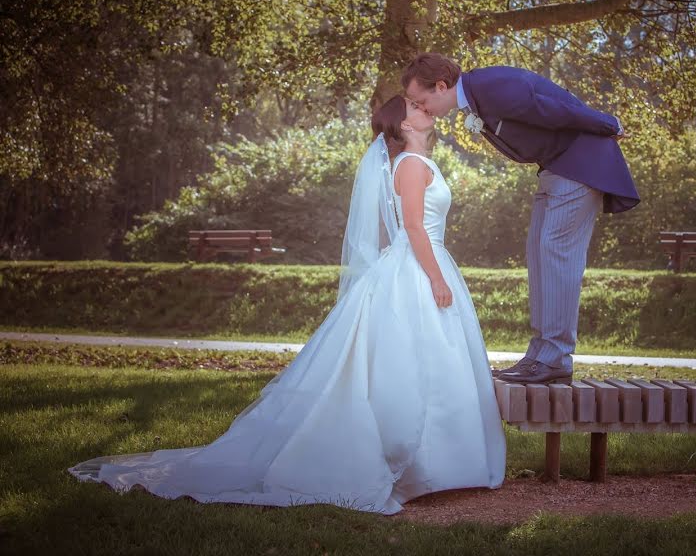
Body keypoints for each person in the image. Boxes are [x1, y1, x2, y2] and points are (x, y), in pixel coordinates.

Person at [67, 94, 506, 515]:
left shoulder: (419, 161)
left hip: (422, 264)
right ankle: (420, 464)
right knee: (415, 362)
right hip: (418, 268)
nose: (425, 107)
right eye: (414, 106)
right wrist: (433, 277)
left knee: (432, 360)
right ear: (404, 124)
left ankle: (441, 465)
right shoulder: (410, 164)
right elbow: (412, 227)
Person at [402, 53, 641, 385]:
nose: (422, 108)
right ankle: (540, 354)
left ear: (440, 86)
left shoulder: (491, 86)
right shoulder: (476, 96)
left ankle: (556, 356)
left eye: (421, 100)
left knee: (556, 253)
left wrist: (608, 123)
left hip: (581, 165)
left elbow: (558, 112)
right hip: (555, 169)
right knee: (539, 253)